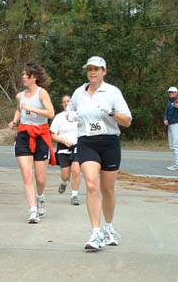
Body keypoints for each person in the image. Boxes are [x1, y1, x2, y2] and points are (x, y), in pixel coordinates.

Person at [66, 56, 132, 251]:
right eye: (90, 69)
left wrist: (111, 113)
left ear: (104, 71)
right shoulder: (79, 92)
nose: (92, 72)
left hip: (110, 142)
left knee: (108, 190)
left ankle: (109, 227)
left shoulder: (112, 92)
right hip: (87, 142)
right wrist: (71, 114)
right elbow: (70, 109)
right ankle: (96, 233)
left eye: (97, 69)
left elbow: (127, 120)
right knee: (92, 185)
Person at [8, 62, 56, 224]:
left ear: (33, 77)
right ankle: (33, 211)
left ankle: (40, 197)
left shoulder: (42, 94)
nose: (22, 78)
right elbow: (19, 109)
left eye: (25, 75)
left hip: (41, 134)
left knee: (40, 178)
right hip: (23, 135)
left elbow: (50, 113)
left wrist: (33, 109)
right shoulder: (20, 96)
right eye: (22, 75)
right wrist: (15, 120)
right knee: (27, 175)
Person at [50, 94, 81, 206]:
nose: (67, 103)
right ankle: (64, 182)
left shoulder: (79, 115)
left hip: (78, 147)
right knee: (65, 175)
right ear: (62, 104)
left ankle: (74, 196)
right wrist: (63, 141)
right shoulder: (59, 117)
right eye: (64, 101)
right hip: (63, 148)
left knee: (76, 171)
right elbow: (52, 134)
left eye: (69, 101)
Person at [163, 86, 178, 171]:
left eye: (172, 92)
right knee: (172, 145)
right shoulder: (169, 102)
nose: (170, 93)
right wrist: (165, 119)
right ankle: (175, 162)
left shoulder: (177, 101)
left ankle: (176, 164)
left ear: (176, 93)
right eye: (169, 92)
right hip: (170, 125)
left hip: (176, 125)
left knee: (176, 145)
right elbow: (165, 112)